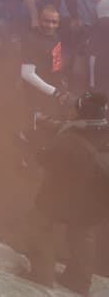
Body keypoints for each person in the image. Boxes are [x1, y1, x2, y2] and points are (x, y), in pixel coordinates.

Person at [21, 92, 109, 294]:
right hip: (93, 202)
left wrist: (32, 143)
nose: (70, 110)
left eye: (74, 108)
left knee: (39, 224)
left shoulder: (70, 138)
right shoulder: (102, 130)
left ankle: (41, 275)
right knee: (82, 235)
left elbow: (46, 160)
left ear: (80, 113)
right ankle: (78, 281)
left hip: (62, 197)